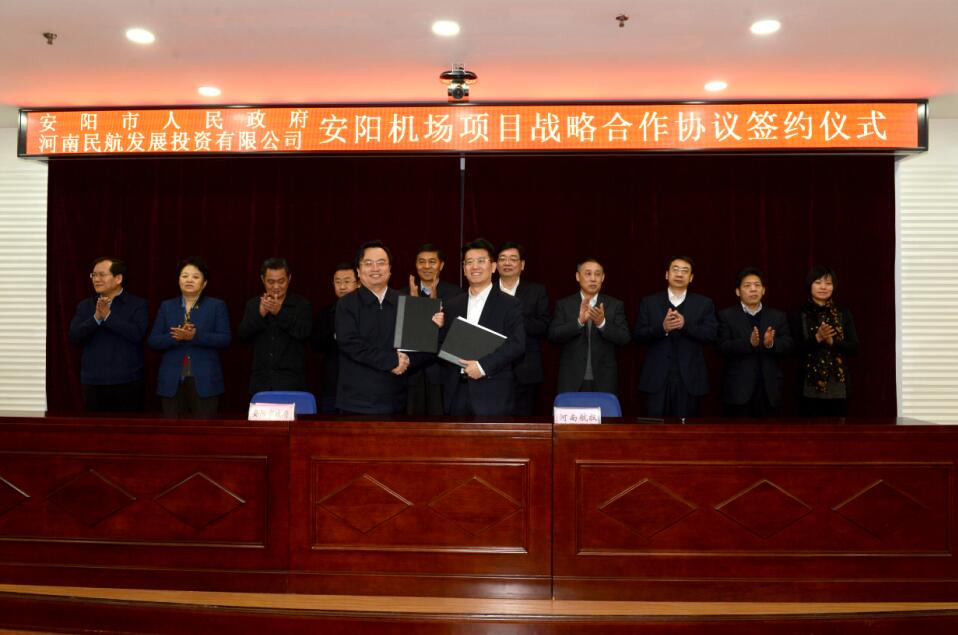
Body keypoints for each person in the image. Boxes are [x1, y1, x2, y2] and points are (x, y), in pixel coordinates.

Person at [336, 240, 442, 414]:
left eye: (381, 263)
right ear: (358, 270)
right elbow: (350, 344)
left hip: (396, 399)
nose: (375, 269)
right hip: (355, 401)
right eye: (368, 263)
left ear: (390, 269)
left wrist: (432, 330)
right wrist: (392, 361)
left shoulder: (407, 303)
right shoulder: (346, 304)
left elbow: (424, 349)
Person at [439, 238, 526, 417]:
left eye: (481, 261)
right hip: (456, 391)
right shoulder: (451, 305)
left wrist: (482, 366)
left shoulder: (510, 304)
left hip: (492, 391)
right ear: (464, 269)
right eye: (469, 262)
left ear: (493, 267)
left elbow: (517, 344)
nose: (475, 266)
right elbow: (442, 346)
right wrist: (437, 328)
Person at [635, 256, 718, 418]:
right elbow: (638, 335)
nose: (679, 274)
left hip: (689, 379)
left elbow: (711, 335)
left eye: (685, 271)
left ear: (691, 277)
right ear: (667, 274)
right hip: (656, 379)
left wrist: (685, 325)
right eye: (675, 269)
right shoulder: (649, 302)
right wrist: (663, 328)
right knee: (655, 428)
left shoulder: (704, 303)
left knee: (686, 429)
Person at [148, 257, 231, 418]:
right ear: (179, 280)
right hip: (172, 380)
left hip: (205, 379)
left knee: (204, 429)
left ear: (204, 283)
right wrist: (176, 337)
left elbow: (225, 339)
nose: (189, 280)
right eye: (184, 276)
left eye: (195, 276)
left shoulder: (216, 306)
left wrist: (195, 336)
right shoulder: (167, 306)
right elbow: (153, 341)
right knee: (172, 430)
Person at [68, 257, 149, 412]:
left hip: (127, 381)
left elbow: (136, 334)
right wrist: (96, 318)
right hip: (93, 382)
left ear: (118, 278)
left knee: (127, 427)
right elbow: (74, 337)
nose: (96, 279)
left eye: (102, 275)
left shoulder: (137, 304)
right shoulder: (85, 306)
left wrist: (108, 316)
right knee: (94, 427)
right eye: (94, 275)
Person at [717, 267, 793, 417]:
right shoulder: (726, 315)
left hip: (769, 390)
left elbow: (789, 344)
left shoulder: (778, 316)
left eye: (757, 285)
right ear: (737, 291)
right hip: (738, 390)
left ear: (763, 290)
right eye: (747, 285)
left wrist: (771, 344)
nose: (753, 289)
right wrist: (749, 343)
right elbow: (722, 346)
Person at [549, 257, 631, 396]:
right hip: (571, 379)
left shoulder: (615, 305)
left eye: (597, 274)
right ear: (577, 276)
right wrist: (579, 322)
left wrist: (602, 323)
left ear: (603, 278)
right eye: (588, 274)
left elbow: (624, 338)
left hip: (604, 380)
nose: (593, 278)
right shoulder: (564, 305)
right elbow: (553, 336)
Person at [402, 244, 465, 415]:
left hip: (442, 372)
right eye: (421, 262)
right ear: (416, 265)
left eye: (432, 262)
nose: (426, 266)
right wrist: (414, 305)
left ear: (441, 265)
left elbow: (457, 334)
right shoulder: (403, 293)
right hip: (411, 373)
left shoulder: (456, 294)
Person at [237, 257, 312, 396]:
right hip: (261, 382)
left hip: (291, 382)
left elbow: (305, 333)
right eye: (271, 282)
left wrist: (279, 312)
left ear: (289, 278)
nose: (276, 287)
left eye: (281, 281)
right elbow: (243, 336)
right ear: (262, 280)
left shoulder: (302, 305)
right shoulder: (253, 304)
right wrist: (260, 315)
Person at [793, 265, 859, 417]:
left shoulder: (843, 313)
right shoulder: (799, 313)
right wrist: (817, 339)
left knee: (838, 431)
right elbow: (793, 349)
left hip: (838, 388)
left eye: (828, 283)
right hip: (807, 387)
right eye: (818, 282)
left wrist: (832, 342)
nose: (823, 287)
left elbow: (855, 348)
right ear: (809, 285)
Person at [497, 242, 550, 415]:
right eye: (502, 259)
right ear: (495, 264)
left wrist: (514, 319)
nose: (507, 263)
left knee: (524, 422)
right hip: (492, 368)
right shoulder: (486, 291)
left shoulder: (536, 291)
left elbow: (544, 326)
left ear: (522, 265)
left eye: (513, 259)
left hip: (526, 369)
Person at [313, 262, 360, 413]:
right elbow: (316, 345)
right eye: (338, 282)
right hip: (333, 385)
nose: (342, 286)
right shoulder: (326, 313)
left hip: (360, 387)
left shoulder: (367, 312)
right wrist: (335, 335)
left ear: (358, 283)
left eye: (347, 281)